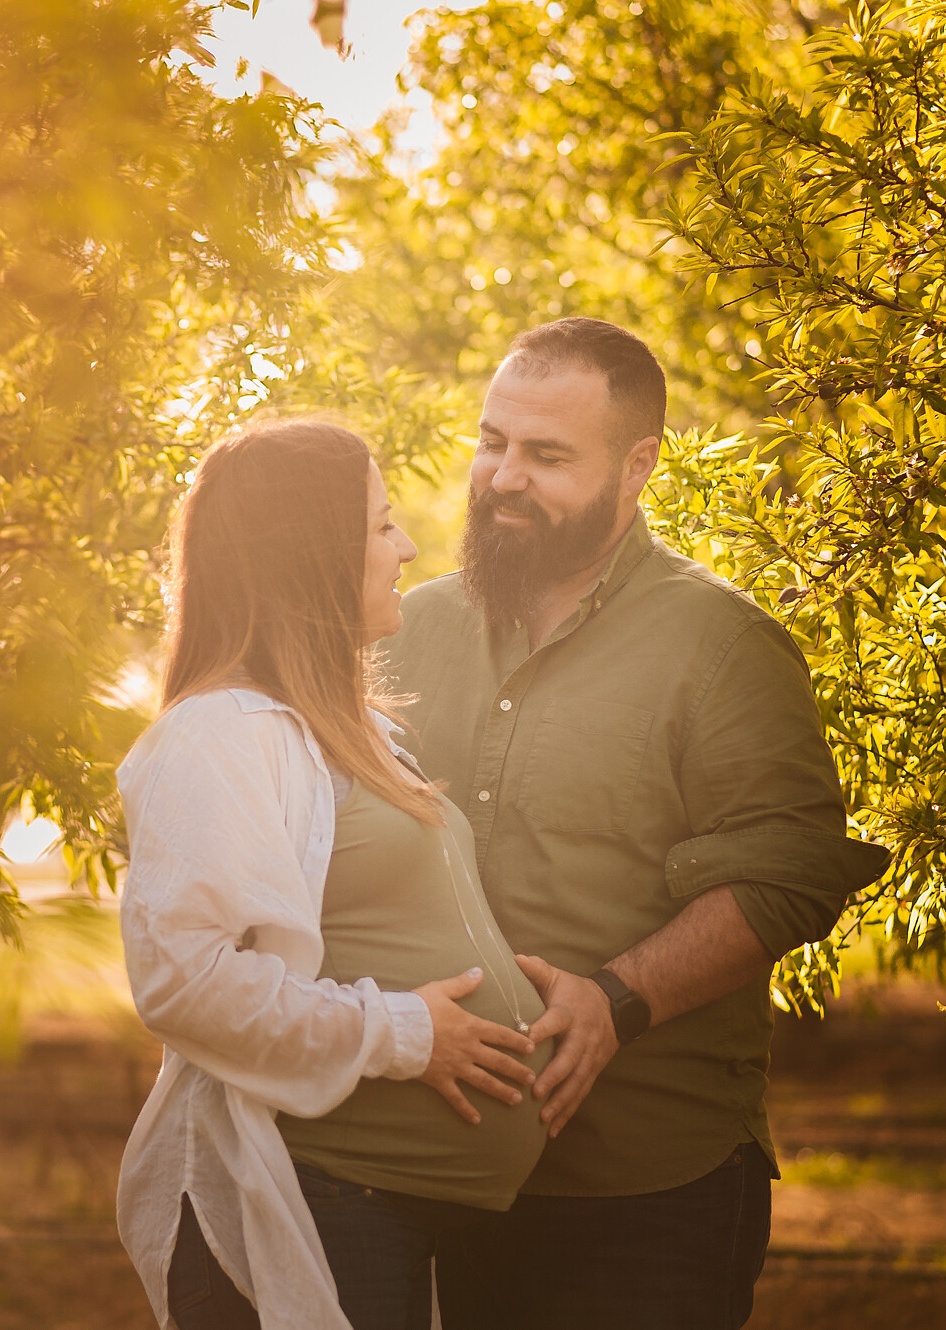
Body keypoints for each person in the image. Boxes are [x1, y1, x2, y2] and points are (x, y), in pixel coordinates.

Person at [379, 318, 891, 1330]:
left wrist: (619, 995)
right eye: (493, 442)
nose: (503, 477)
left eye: (547, 455)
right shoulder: (406, 630)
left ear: (636, 466)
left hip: (646, 1184)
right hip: (436, 1168)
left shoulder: (722, 644)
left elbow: (790, 869)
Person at [117, 419, 550, 1330]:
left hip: (383, 1205)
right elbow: (185, 982)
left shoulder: (353, 727)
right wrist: (404, 1033)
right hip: (321, 1200)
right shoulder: (218, 734)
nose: (408, 547)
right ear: (309, 554)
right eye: (382, 525)